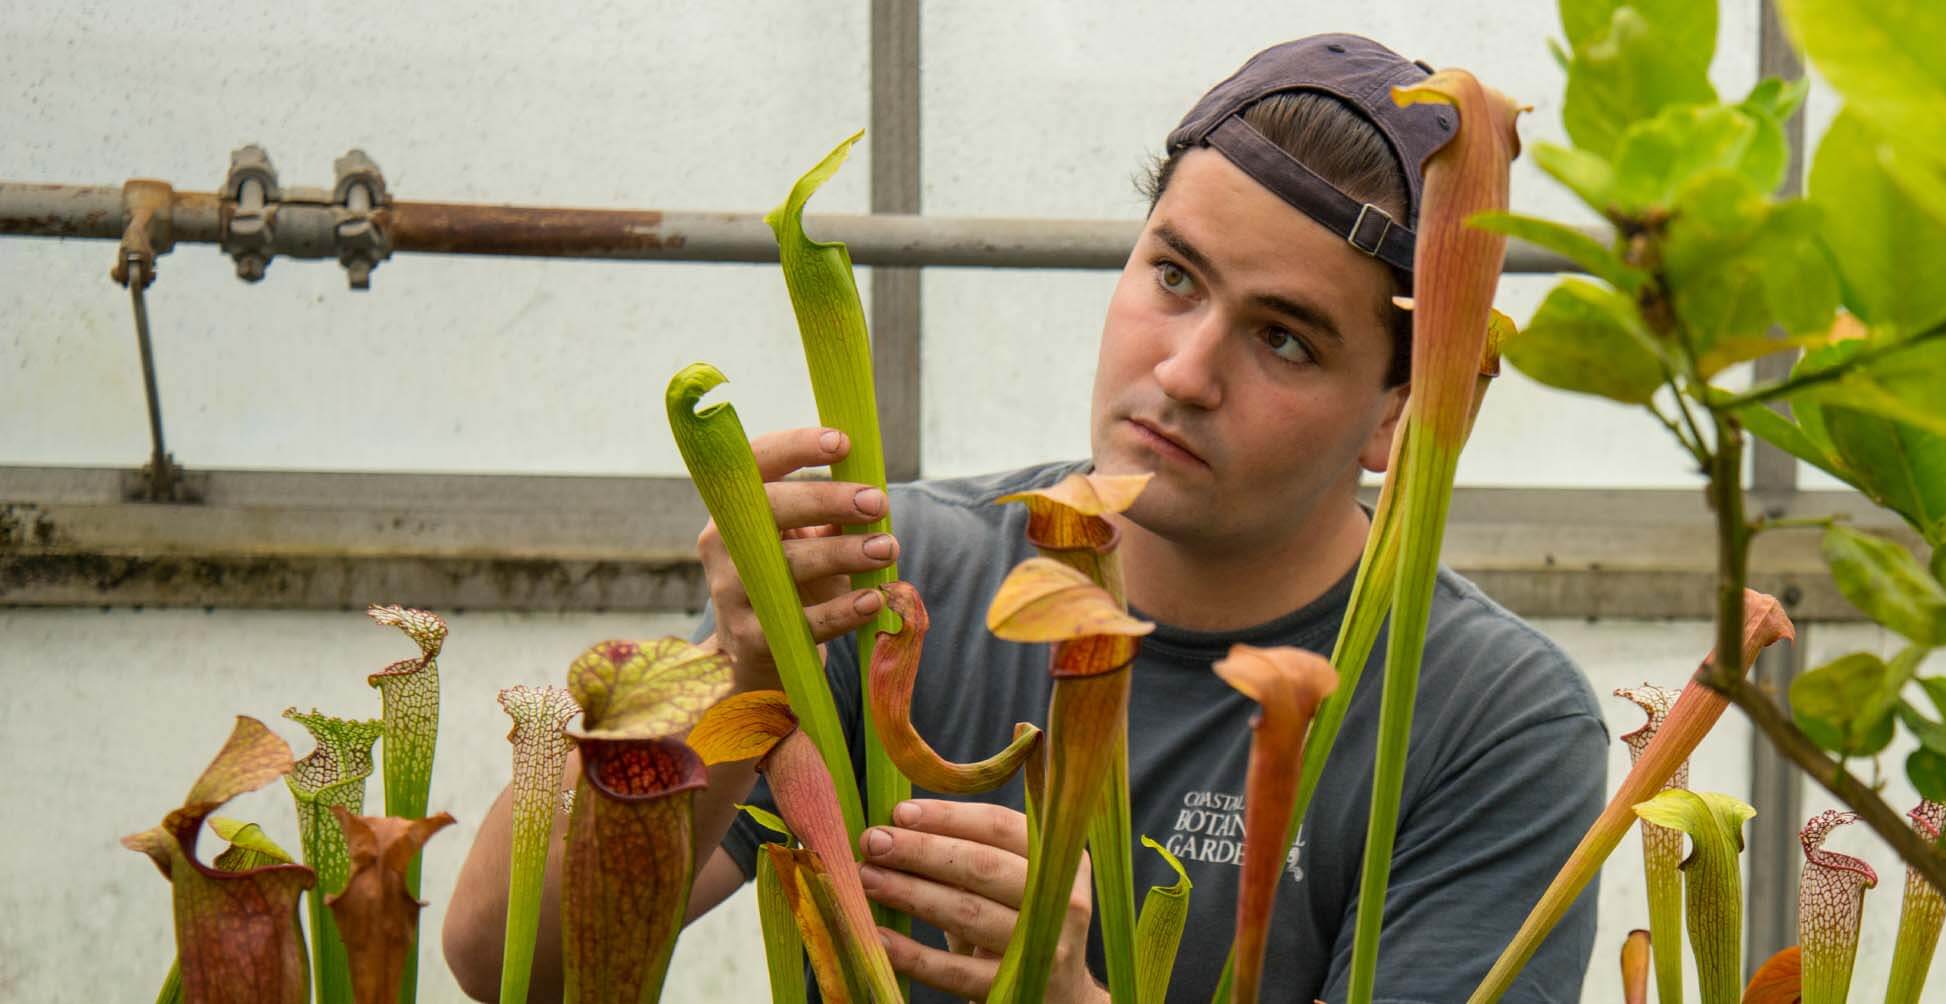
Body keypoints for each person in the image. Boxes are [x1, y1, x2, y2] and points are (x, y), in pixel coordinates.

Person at [443, 32, 1604, 1003]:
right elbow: (505, 965)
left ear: (1397, 417)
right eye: (1175, 277)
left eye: (1283, 337)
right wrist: (728, 672)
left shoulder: (1487, 716)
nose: (1187, 369)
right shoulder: (896, 580)